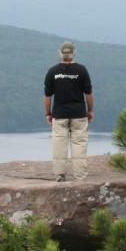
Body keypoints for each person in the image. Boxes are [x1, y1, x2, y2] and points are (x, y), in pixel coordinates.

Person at [43, 40, 94, 181]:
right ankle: (80, 176)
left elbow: (48, 97)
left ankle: (60, 175)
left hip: (59, 114)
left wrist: (48, 113)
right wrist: (90, 111)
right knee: (79, 144)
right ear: (74, 54)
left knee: (59, 144)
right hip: (79, 114)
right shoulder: (82, 70)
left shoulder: (52, 71)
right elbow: (88, 95)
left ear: (60, 54)